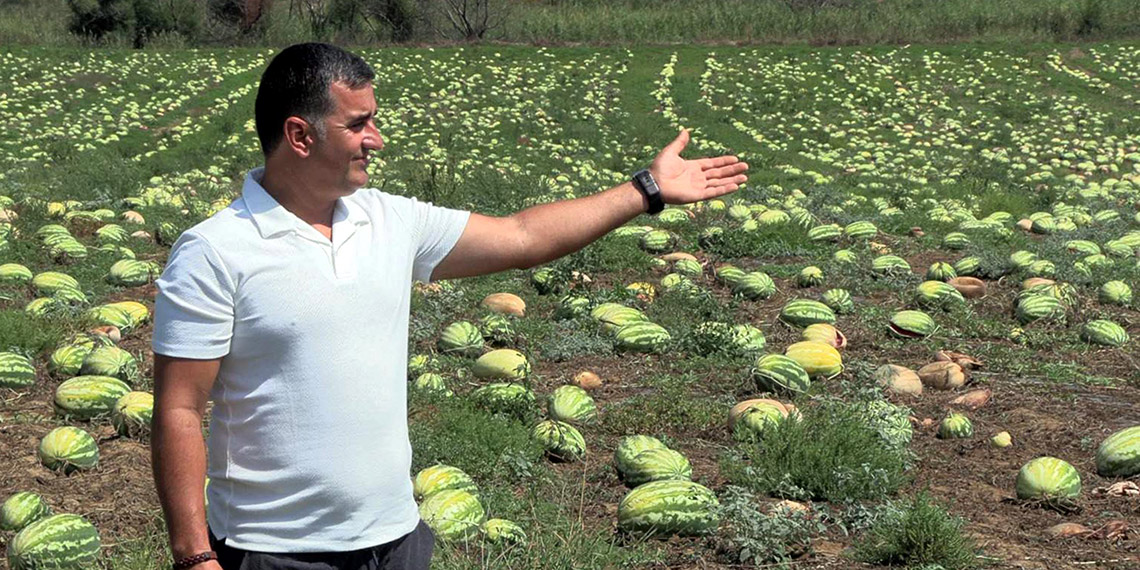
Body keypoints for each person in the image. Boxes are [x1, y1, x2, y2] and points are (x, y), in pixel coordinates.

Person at [150, 42, 748, 570]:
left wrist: (644, 191)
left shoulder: (390, 219)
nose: (376, 140)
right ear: (301, 136)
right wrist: (195, 555)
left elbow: (521, 237)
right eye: (359, 124)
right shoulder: (215, 251)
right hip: (276, 550)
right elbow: (179, 409)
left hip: (396, 539)